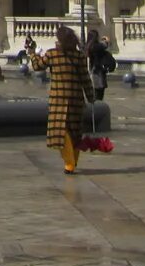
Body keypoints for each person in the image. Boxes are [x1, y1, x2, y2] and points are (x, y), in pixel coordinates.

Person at [25, 27, 94, 174]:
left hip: (58, 100)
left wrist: (32, 53)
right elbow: (85, 78)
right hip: (76, 98)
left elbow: (37, 67)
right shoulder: (79, 56)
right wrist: (91, 96)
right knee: (75, 132)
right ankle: (73, 161)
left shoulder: (52, 54)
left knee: (61, 132)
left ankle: (69, 163)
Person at [86, 29, 115, 101]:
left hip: (91, 71)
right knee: (99, 94)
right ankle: (97, 109)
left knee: (94, 93)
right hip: (97, 72)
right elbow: (104, 45)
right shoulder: (95, 46)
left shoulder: (87, 46)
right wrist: (107, 40)